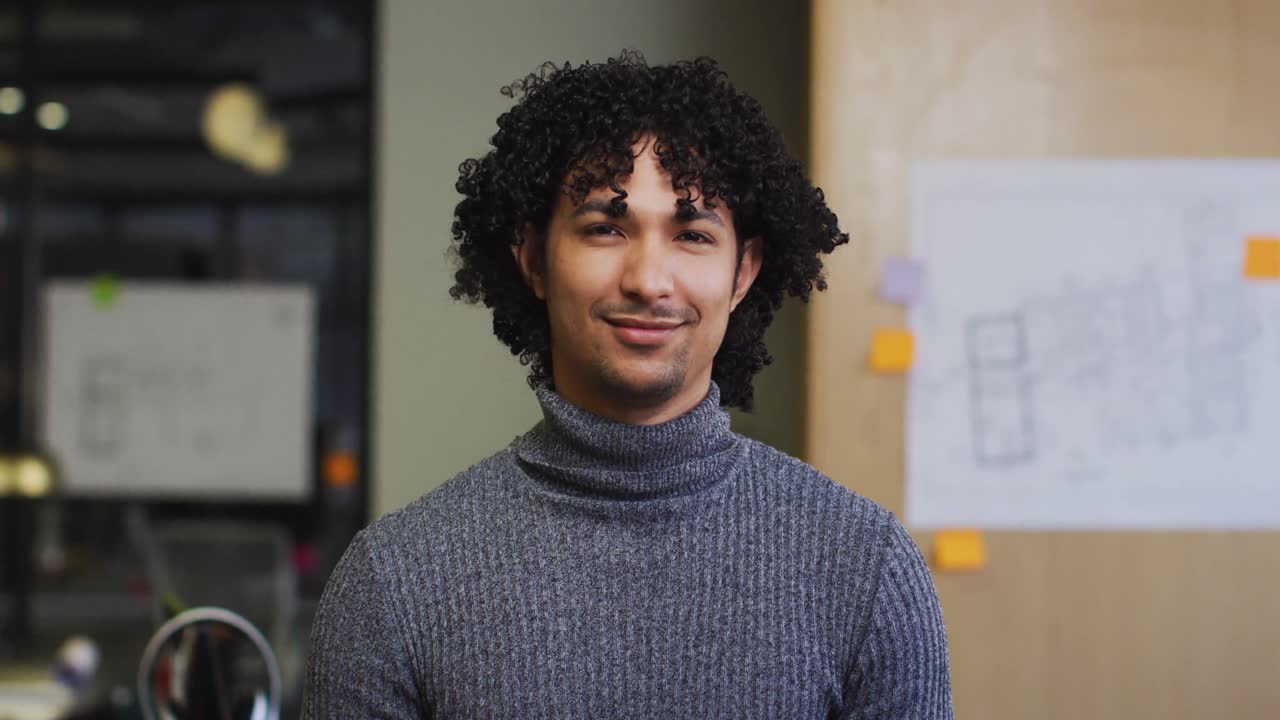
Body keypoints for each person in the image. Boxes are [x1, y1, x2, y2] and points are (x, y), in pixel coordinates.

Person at [303, 52, 953, 719]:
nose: (648, 279)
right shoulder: (395, 580)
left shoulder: (864, 569)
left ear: (743, 272)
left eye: (693, 234)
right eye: (606, 228)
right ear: (532, 256)